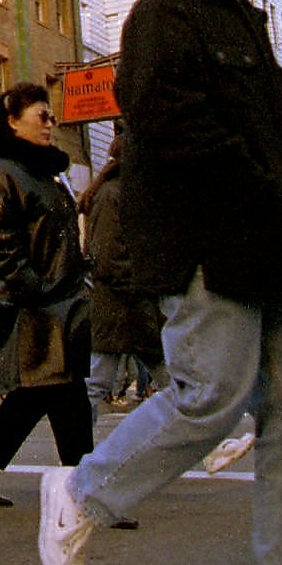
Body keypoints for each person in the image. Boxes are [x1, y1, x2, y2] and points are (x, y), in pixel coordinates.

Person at [38, 0, 282, 565]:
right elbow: (166, 123)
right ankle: (81, 490)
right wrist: (249, 188)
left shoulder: (244, 17)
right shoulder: (166, 8)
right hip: (211, 242)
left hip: (270, 248)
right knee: (210, 396)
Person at [0, 85, 91, 508]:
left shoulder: (46, 175)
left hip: (63, 304)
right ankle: (86, 490)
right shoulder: (3, 172)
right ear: (13, 121)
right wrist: (35, 289)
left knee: (48, 395)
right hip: (31, 309)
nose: (50, 123)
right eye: (42, 115)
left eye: (52, 116)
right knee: (55, 394)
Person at [77, 137, 167, 417]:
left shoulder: (119, 192)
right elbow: (108, 257)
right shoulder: (112, 195)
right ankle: (77, 452)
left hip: (129, 305)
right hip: (123, 305)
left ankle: (78, 451)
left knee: (172, 381)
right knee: (97, 383)